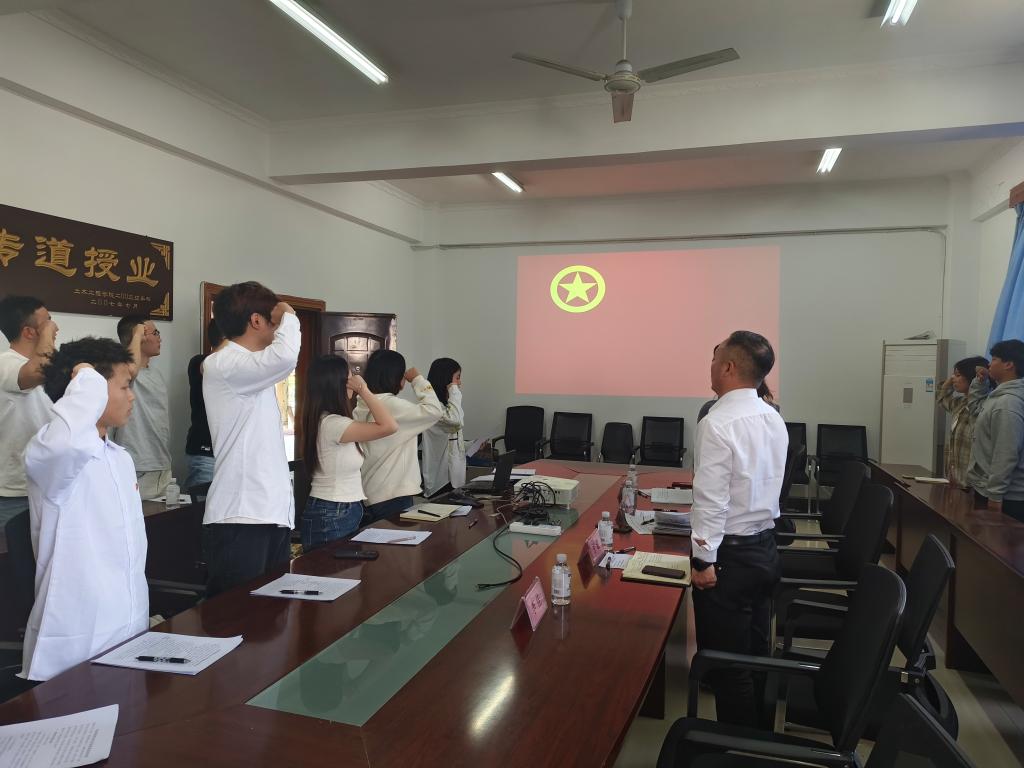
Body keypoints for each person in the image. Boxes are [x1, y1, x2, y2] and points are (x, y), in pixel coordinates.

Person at [21, 337, 148, 681]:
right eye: (124, 386)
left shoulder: (120, 458)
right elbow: (69, 442)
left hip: (127, 624)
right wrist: (88, 377)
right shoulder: (51, 455)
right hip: (76, 637)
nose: (132, 396)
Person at [689, 330, 788, 727]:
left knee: (728, 666)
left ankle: (734, 746)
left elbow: (712, 500)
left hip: (729, 559)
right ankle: (759, 735)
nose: (711, 366)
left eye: (715, 360)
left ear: (728, 367)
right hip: (765, 550)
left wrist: (702, 560)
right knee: (756, 653)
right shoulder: (772, 416)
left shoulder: (717, 422)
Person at [202, 282, 300, 597]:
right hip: (241, 514)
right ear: (256, 321)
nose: (279, 327)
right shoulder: (224, 363)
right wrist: (290, 314)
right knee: (236, 615)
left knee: (271, 614)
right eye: (274, 320)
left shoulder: (249, 369)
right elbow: (285, 357)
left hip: (268, 513)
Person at [300, 355, 397, 552]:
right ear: (338, 383)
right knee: (335, 570)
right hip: (332, 511)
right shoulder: (333, 424)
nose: (354, 380)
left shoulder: (328, 420)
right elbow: (389, 426)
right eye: (350, 376)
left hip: (340, 509)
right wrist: (364, 390)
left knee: (345, 569)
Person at [355, 349, 443, 523]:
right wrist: (418, 380)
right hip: (393, 494)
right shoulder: (391, 405)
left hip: (370, 492)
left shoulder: (362, 404)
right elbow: (434, 411)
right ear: (396, 378)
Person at [0, 295, 57, 527]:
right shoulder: (5, 363)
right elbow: (37, 372)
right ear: (29, 332)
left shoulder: (51, 367)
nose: (55, 328)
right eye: (48, 322)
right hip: (15, 493)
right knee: (16, 551)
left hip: (49, 485)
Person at [111, 315, 171, 500]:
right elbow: (129, 369)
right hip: (137, 466)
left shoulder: (156, 374)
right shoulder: (121, 374)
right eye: (155, 333)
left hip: (162, 465)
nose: (160, 338)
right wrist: (136, 335)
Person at [967, 339, 1024, 523]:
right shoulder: (999, 397)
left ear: (1009, 364)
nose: (989, 364)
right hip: (992, 490)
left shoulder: (1007, 403)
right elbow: (976, 410)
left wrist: (995, 495)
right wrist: (980, 382)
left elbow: (1006, 453)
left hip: (1005, 498)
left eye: (994, 359)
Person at [935, 355, 991, 488]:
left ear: (972, 377)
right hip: (955, 479)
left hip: (975, 484)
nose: (953, 378)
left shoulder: (985, 405)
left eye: (958, 375)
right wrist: (949, 381)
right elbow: (942, 397)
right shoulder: (961, 403)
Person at [184, 318, 225, 491]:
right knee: (201, 506)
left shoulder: (238, 367)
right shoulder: (199, 362)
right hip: (205, 454)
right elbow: (207, 367)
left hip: (228, 455)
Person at [421, 357, 466, 496]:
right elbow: (456, 421)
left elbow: (452, 440)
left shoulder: (448, 406)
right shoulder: (433, 408)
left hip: (454, 478)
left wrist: (471, 445)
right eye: (457, 378)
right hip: (440, 481)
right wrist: (454, 390)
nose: (459, 383)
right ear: (445, 379)